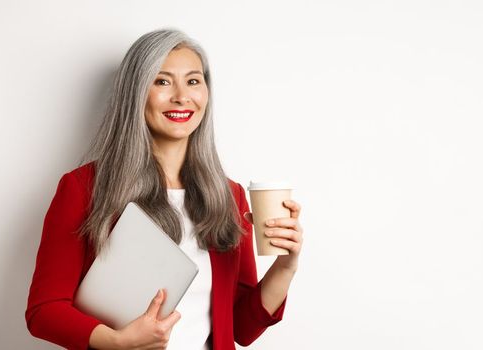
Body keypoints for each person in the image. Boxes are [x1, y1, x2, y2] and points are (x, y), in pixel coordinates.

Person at [25, 28, 304, 350]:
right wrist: (116, 341)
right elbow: (43, 311)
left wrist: (286, 266)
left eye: (193, 81)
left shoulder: (229, 196)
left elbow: (241, 328)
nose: (182, 97)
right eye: (162, 81)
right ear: (136, 92)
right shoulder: (84, 187)